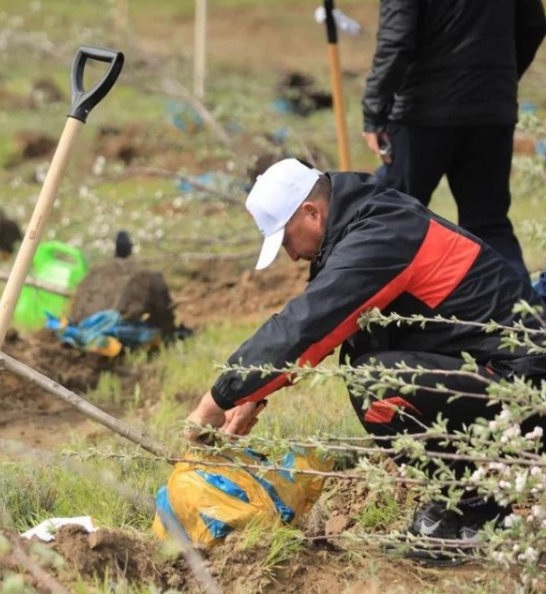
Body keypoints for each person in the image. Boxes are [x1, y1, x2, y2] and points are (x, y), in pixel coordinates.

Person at [185, 158, 546, 557]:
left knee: (377, 385)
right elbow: (334, 325)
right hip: (505, 373)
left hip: (527, 391)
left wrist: (216, 399)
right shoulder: (368, 219)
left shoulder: (380, 235)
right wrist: (250, 394)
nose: (290, 256)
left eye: (285, 240)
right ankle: (462, 502)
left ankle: (477, 512)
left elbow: (305, 325)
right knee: (365, 352)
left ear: (311, 212)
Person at [361, 0, 546, 278]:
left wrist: (374, 111)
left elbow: (396, 37)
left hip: (421, 115)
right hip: (490, 112)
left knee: (394, 219)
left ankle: (374, 312)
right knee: (490, 226)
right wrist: (496, 81)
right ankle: (525, 317)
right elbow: (533, 24)